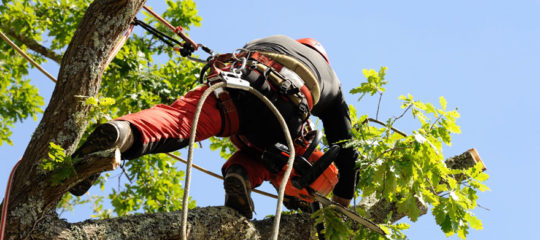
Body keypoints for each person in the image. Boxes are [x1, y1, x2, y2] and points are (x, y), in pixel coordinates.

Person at [69, 35, 358, 219]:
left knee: (179, 120)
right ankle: (242, 174)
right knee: (284, 157)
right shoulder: (331, 79)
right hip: (286, 111)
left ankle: (121, 133)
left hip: (239, 83)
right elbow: (346, 146)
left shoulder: (274, 40)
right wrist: (343, 198)